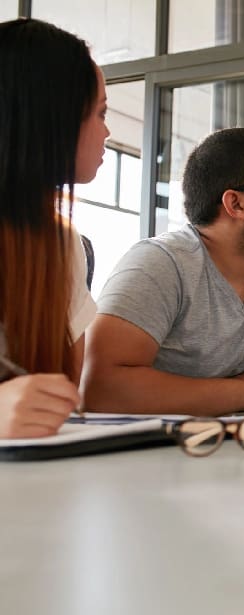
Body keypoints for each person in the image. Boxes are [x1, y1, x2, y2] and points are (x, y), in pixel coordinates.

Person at [82, 128, 244, 415]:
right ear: (236, 204)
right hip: (157, 453)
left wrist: (200, 393)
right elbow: (101, 387)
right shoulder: (159, 263)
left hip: (242, 446)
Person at [0, 19, 103, 438]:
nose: (106, 131)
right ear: (52, 117)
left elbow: (62, 397)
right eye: (100, 112)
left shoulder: (62, 243)